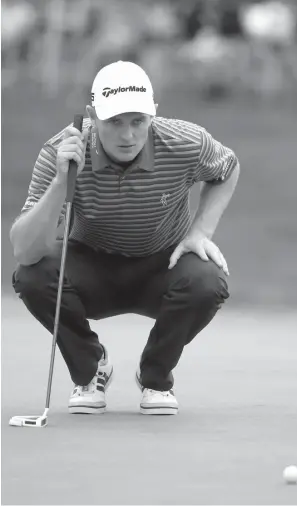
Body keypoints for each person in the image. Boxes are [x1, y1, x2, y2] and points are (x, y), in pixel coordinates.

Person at [10, 61, 240, 416]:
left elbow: (227, 167)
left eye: (138, 121)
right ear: (92, 116)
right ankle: (91, 369)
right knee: (32, 275)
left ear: (154, 114)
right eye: (114, 121)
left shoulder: (184, 141)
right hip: (92, 267)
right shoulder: (61, 149)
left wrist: (201, 231)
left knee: (208, 279)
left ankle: (155, 375)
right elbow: (25, 250)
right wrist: (61, 182)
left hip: (163, 266)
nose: (128, 135)